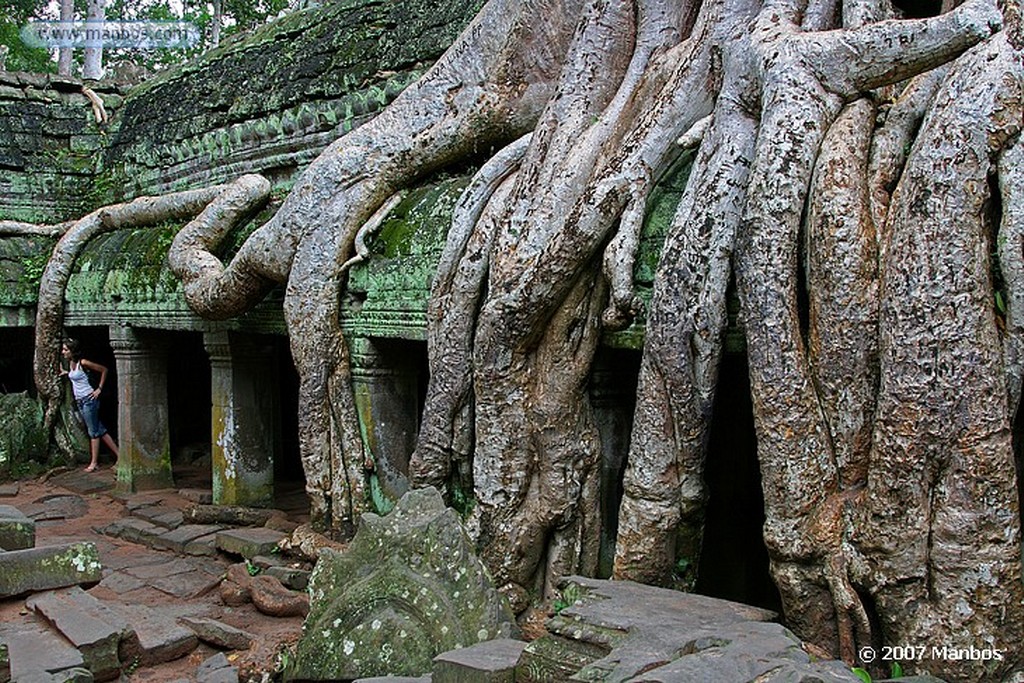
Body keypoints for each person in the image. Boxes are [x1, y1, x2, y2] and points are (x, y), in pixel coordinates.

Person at [60, 338, 119, 472]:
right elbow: (76, 377)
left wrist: (99, 388)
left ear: (72, 351)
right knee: (99, 429)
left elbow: (104, 370)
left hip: (89, 400)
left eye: (65, 350)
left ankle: (94, 463)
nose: (63, 352)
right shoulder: (71, 363)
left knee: (93, 432)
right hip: (80, 401)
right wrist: (66, 373)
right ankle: (119, 454)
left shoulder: (83, 362)